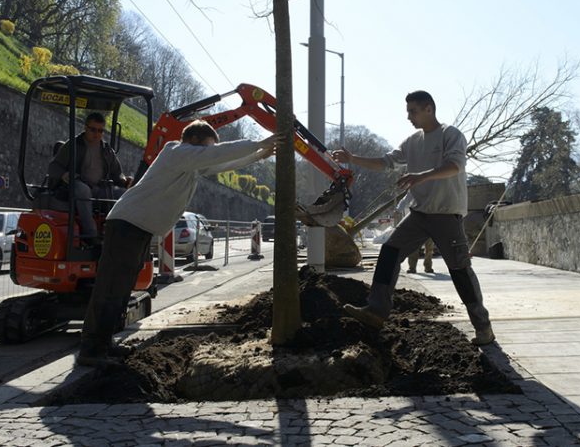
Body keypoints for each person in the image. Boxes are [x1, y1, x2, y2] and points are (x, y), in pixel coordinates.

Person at [78, 120, 282, 366]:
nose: (206, 154)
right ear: (194, 141)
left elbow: (220, 162)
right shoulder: (176, 152)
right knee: (110, 288)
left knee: (120, 290)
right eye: (205, 148)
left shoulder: (189, 165)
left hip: (136, 228)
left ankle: (105, 344)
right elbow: (217, 154)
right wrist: (259, 143)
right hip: (126, 225)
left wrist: (258, 155)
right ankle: (91, 350)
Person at [331, 90, 494, 345]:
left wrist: (420, 176)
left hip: (446, 215)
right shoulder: (412, 141)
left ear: (429, 109)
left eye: (413, 111)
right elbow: (386, 162)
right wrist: (353, 159)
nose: (409, 117)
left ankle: (483, 327)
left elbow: (455, 167)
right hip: (419, 214)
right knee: (388, 253)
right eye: (408, 112)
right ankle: (376, 310)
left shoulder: (451, 135)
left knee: (460, 269)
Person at [47, 112, 131, 242]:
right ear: (85, 128)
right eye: (93, 130)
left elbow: (117, 173)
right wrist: (65, 175)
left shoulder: (106, 150)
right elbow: (53, 167)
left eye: (100, 130)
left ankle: (117, 236)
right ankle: (91, 235)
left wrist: (125, 181)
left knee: (123, 195)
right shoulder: (73, 145)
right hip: (72, 187)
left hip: (97, 189)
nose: (97, 134)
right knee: (83, 190)